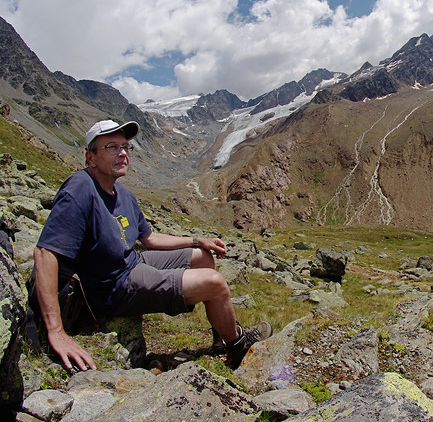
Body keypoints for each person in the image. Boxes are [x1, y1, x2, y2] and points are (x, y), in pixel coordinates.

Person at [32, 119, 271, 371]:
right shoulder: (79, 189)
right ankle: (237, 345)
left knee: (203, 257)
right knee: (215, 283)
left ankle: (221, 338)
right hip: (112, 286)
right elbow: (45, 253)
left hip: (132, 262)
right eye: (112, 147)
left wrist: (197, 240)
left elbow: (150, 239)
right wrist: (56, 330)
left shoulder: (122, 193)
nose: (122, 153)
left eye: (125, 147)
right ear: (90, 158)